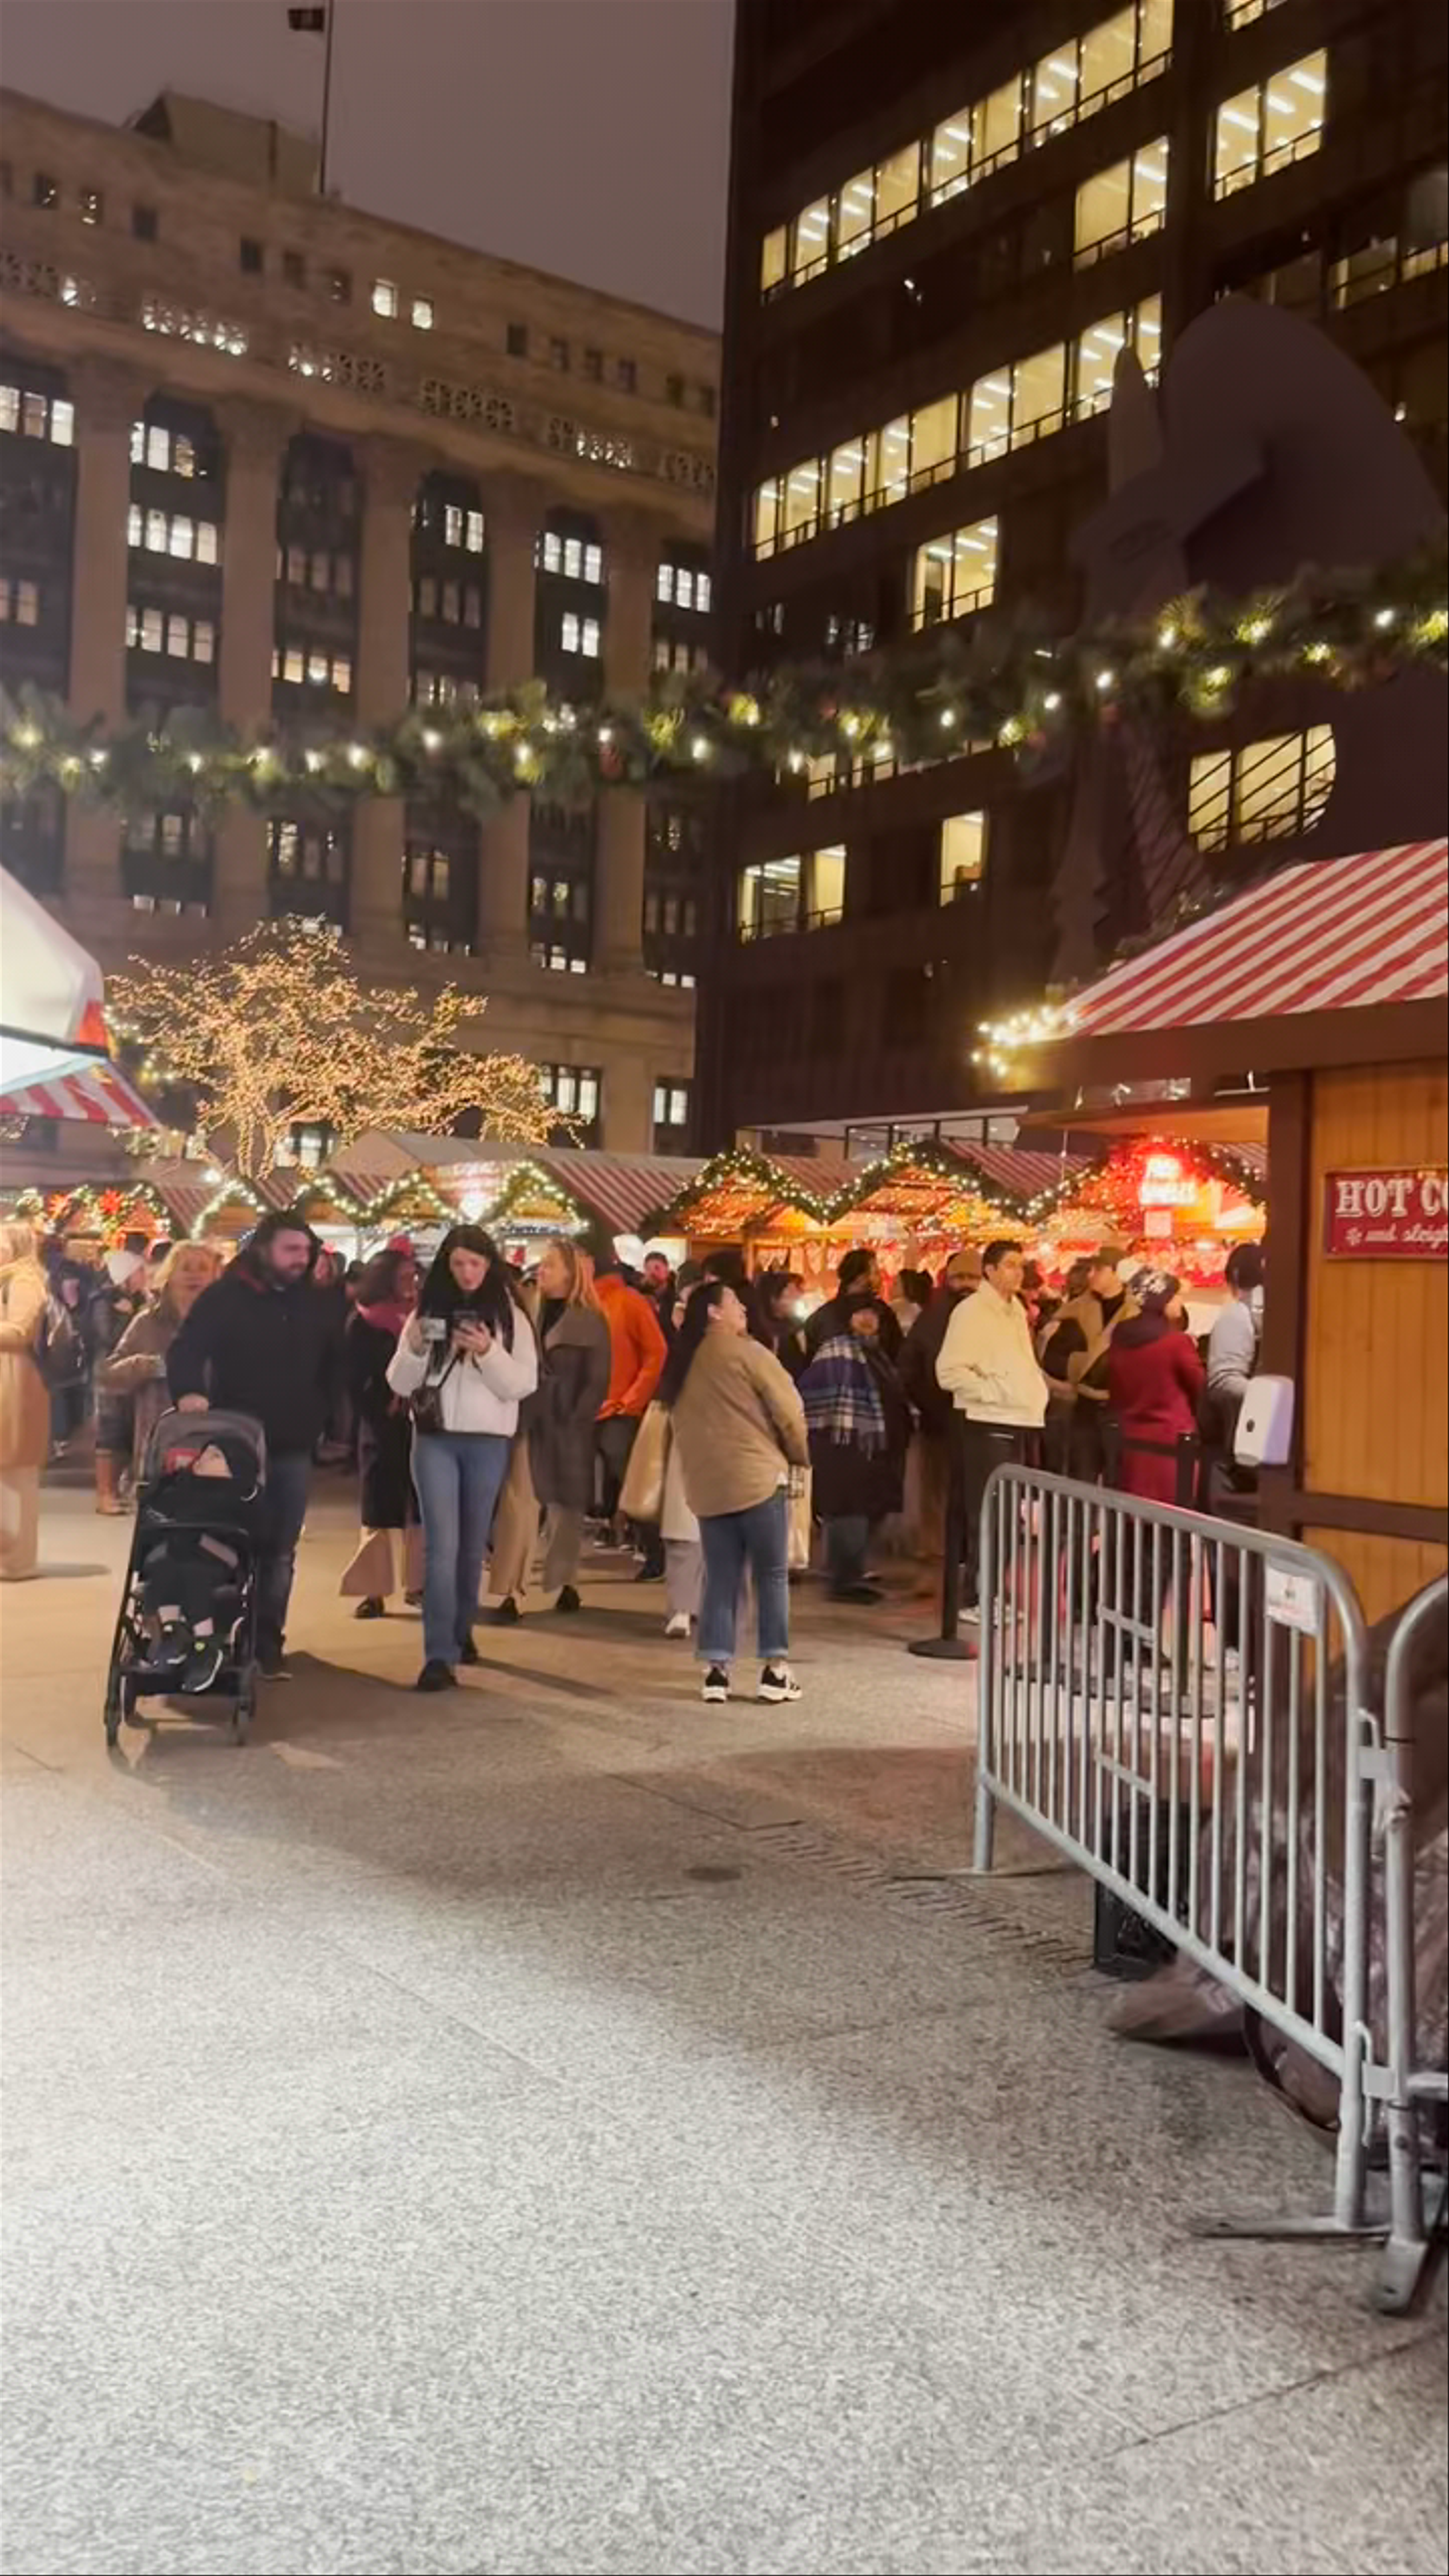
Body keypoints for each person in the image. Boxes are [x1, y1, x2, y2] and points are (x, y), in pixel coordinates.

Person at [167, 1210, 343, 1677]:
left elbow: (333, 1361)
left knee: (280, 1550)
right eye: (291, 1250)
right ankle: (217, 1634)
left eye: (306, 1252)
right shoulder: (226, 1296)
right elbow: (187, 1348)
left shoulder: (316, 1301)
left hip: (292, 1444)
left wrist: (326, 1414)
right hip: (235, 1443)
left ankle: (267, 1643)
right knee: (227, 1542)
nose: (300, 1260)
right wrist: (188, 1391)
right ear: (264, 1249)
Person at [386, 1226, 538, 1691]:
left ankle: (460, 1631)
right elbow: (398, 1381)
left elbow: (521, 1384)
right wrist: (418, 1346)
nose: (467, 1272)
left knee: (473, 1546)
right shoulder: (427, 1312)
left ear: (489, 1265)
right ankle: (438, 1655)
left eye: (475, 1263)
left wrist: (488, 1351)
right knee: (442, 1546)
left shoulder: (511, 1317)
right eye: (458, 1264)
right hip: (435, 1438)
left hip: (488, 1441)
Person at [662, 1279, 810, 1704]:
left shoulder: (683, 1363)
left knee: (721, 1577)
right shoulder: (750, 1353)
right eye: (734, 1301)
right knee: (772, 1575)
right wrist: (799, 1456)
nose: (743, 1306)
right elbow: (790, 1411)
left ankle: (715, 1671)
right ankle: (775, 1670)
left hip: (708, 1485)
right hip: (759, 1479)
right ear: (713, 1311)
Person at [491, 1235, 612, 1619]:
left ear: (571, 1274)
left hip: (567, 1421)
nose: (541, 1271)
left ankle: (566, 1580)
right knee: (519, 1504)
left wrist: (579, 1416)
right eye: (542, 1264)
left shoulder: (591, 1320)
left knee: (566, 1507)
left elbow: (598, 1378)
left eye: (551, 1265)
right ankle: (511, 1590)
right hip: (527, 1416)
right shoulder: (527, 1310)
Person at [935, 1238, 1047, 1621]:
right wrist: (992, 1392)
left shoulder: (1013, 1309)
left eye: (1021, 1265)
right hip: (987, 1421)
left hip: (1018, 1417)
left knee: (1008, 1513)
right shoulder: (972, 1312)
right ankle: (976, 1597)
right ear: (991, 1270)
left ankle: (993, 1591)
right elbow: (949, 1370)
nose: (1018, 1272)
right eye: (1011, 1265)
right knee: (987, 1511)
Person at [798, 1304, 911, 1602]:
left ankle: (851, 1573)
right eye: (860, 1313)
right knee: (847, 1510)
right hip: (843, 1443)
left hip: (871, 1446)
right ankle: (843, 1580)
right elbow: (815, 1396)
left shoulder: (877, 1352)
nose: (867, 1320)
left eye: (873, 1315)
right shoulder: (836, 1350)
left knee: (864, 1509)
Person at [95, 1242, 223, 1492]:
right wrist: (148, 1366)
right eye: (186, 1267)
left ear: (215, 1276)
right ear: (170, 1274)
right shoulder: (147, 1322)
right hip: (158, 1448)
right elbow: (109, 1375)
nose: (194, 1274)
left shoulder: (228, 1320)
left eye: (202, 1268)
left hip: (215, 1445)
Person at [339, 1245, 421, 1619]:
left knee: (421, 1506)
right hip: (381, 1426)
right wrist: (383, 1403)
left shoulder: (422, 1317)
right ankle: (373, 1589)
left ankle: (420, 1584)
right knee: (379, 1507)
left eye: (413, 1276)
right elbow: (353, 1380)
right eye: (403, 1277)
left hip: (421, 1423)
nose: (411, 1283)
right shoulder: (364, 1322)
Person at [899, 1248, 981, 1573]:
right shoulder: (932, 1319)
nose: (965, 1284)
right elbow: (910, 1367)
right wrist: (927, 1404)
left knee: (968, 1489)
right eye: (959, 1277)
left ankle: (964, 1550)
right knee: (939, 1491)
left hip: (977, 1420)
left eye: (972, 1277)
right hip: (941, 1420)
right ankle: (938, 1552)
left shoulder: (994, 1315)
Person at [592, 1240, 667, 1571]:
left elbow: (657, 1351)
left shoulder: (627, 1301)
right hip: (602, 1406)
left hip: (618, 1410)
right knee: (624, 1481)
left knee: (630, 1480)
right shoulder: (589, 1302)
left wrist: (632, 1399)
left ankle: (654, 1550)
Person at [1039, 1245, 1139, 1484]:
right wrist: (1081, 1366)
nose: (1090, 1275)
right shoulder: (1076, 1309)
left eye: (1098, 1269)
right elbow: (1052, 1355)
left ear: (1116, 1272)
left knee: (1120, 1479)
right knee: (1081, 1476)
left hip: (1122, 1405)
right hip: (1084, 1405)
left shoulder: (1136, 1310)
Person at [1106, 1272, 1206, 1504]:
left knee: (1137, 1519)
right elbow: (1200, 1386)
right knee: (1172, 1520)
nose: (1180, 1303)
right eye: (1176, 1296)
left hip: (1132, 1442)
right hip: (1172, 1445)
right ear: (1162, 1300)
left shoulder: (1120, 1338)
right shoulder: (1176, 1343)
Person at [0, 1222, 51, 1583]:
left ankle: (17, 1560)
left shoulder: (24, 1280)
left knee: (15, 1470)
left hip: (12, 1378)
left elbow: (18, 1331)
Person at [89, 1237, 152, 1513]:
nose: (144, 1276)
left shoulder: (140, 1300)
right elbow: (108, 1339)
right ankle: (105, 1494)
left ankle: (116, 1490)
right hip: (110, 1376)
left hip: (131, 1376)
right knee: (110, 1435)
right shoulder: (105, 1301)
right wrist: (129, 1316)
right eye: (139, 1272)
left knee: (126, 1434)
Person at [804, 1247, 903, 1363]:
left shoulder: (821, 1317)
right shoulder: (882, 1314)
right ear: (861, 1278)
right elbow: (897, 1355)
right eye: (876, 1272)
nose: (880, 1278)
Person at [755, 1268, 809, 1379]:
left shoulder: (798, 1327)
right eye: (790, 1293)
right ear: (773, 1298)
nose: (797, 1298)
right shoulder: (761, 1331)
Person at [641, 1247, 677, 1342]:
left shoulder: (676, 1298)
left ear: (667, 1270)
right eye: (648, 1269)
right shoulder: (639, 1295)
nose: (652, 1273)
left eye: (657, 1268)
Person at [890, 1267, 933, 1336]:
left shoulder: (898, 1306)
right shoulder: (919, 1309)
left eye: (895, 1284)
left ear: (906, 1288)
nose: (891, 1288)